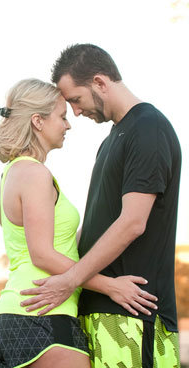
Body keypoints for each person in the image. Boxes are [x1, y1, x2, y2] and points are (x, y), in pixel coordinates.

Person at [19, 44, 182, 368]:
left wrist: (70, 279)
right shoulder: (111, 141)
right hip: (99, 311)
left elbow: (133, 222)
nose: (75, 113)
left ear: (99, 82)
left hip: (135, 317)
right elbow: (95, 224)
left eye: (76, 100)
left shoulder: (148, 129)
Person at [0, 78, 157, 368]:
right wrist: (111, 286)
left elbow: (59, 244)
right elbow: (41, 254)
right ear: (38, 121)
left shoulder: (12, 174)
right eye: (62, 117)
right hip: (41, 317)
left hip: (19, 315)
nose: (68, 125)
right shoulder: (34, 175)